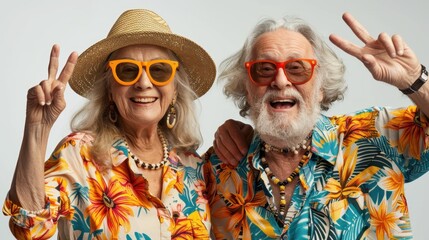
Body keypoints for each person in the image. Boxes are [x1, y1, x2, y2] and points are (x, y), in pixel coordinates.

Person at [205, 12, 429, 239]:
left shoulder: (374, 135)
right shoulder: (216, 168)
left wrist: (415, 81)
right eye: (264, 69)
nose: (281, 81)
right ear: (246, 88)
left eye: (297, 68)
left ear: (321, 87)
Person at [2, 9, 216, 239]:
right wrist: (37, 130)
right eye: (127, 70)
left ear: (174, 89)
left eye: (159, 70)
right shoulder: (79, 155)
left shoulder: (195, 167)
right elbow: (30, 229)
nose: (144, 83)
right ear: (110, 90)